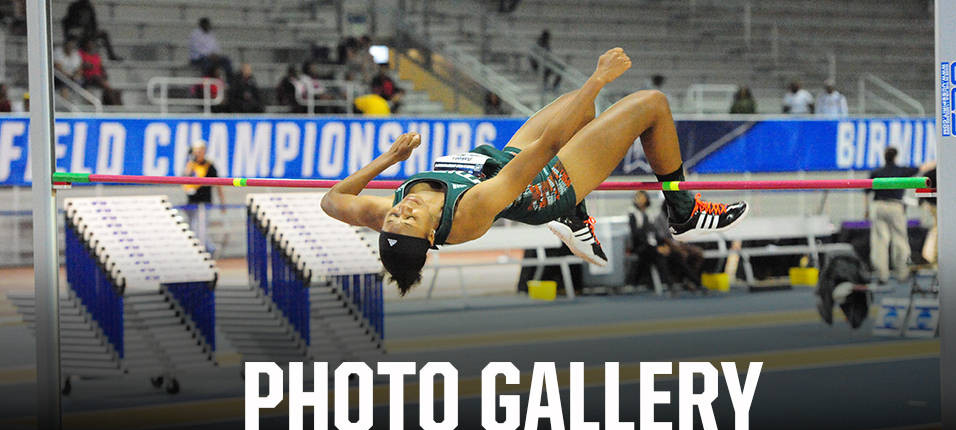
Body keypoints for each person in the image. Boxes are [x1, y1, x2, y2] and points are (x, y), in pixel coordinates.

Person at [320, 48, 748, 295]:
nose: (403, 209)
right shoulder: (470, 210)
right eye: (409, 218)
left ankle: (577, 219)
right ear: (432, 235)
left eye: (395, 216)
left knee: (582, 109)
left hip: (504, 157)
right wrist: (597, 78)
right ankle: (682, 211)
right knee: (650, 104)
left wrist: (388, 161)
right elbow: (548, 147)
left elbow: (332, 200)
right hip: (546, 183)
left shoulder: (391, 219)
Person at [865, 147, 936, 283]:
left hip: (878, 206)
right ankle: (902, 274)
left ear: (884, 157)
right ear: (896, 157)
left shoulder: (877, 172)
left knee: (880, 241)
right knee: (900, 240)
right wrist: (936, 162)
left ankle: (882, 275)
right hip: (895, 206)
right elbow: (922, 168)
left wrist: (866, 210)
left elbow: (866, 192)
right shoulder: (901, 170)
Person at [183, 141, 226, 255]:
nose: (198, 153)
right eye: (196, 151)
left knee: (201, 227)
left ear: (204, 151)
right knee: (192, 228)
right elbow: (185, 180)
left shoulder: (210, 166)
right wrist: (190, 163)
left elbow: (218, 185)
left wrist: (222, 202)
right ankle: (205, 248)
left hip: (204, 201)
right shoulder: (191, 164)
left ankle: (208, 249)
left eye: (200, 150)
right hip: (192, 202)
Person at [626, 191, 670, 289]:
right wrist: (655, 247)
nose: (639, 200)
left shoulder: (650, 213)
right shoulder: (633, 214)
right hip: (639, 246)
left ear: (646, 199)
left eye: (641, 197)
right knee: (656, 255)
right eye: (637, 197)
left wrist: (662, 244)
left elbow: (655, 232)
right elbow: (636, 235)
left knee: (672, 254)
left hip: (651, 246)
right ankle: (669, 283)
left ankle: (673, 282)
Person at [79, 38, 121, 105]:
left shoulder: (96, 56)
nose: (90, 45)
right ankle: (109, 88)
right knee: (97, 77)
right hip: (87, 78)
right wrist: (85, 65)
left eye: (91, 44)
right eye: (88, 44)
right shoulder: (81, 54)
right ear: (85, 45)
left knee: (116, 92)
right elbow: (79, 65)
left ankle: (118, 109)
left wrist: (104, 72)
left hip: (98, 78)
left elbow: (101, 66)